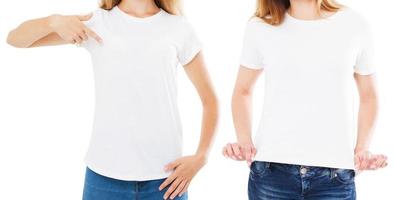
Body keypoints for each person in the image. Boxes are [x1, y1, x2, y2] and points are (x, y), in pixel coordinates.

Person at [7, 0, 218, 199]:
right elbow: (16, 39)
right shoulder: (99, 23)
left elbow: (209, 99)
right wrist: (54, 21)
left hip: (167, 182)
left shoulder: (178, 28)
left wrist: (201, 157)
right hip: (104, 180)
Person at [223, 0, 388, 199]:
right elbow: (243, 90)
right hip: (271, 174)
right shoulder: (260, 27)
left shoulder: (354, 24)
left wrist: (362, 148)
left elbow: (369, 95)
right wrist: (244, 141)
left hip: (334, 179)